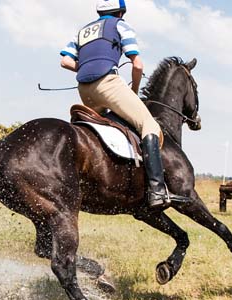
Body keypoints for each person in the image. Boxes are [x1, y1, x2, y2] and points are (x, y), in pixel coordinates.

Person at [60, 0, 177, 209]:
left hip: (84, 89)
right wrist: (133, 91)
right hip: (108, 85)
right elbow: (138, 65)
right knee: (148, 124)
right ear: (121, 12)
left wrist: (86, 66)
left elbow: (65, 61)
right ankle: (157, 189)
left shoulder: (83, 30)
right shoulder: (120, 25)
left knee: (95, 131)